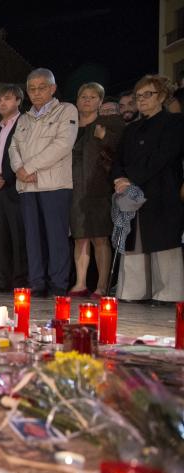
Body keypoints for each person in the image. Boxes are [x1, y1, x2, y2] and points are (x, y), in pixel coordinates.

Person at [113, 75, 184, 304]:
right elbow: (117, 159)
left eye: (148, 94)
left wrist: (130, 178)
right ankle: (133, 292)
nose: (141, 100)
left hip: (162, 191)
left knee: (163, 243)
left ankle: (168, 294)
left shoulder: (174, 123)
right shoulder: (131, 130)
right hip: (132, 195)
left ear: (161, 96)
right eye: (138, 96)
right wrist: (119, 179)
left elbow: (163, 157)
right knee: (135, 242)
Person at [9, 68, 78, 297]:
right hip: (27, 186)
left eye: (41, 88)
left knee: (56, 238)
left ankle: (58, 284)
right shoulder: (24, 118)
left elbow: (62, 145)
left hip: (54, 186)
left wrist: (28, 168)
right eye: (32, 89)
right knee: (33, 238)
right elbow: (13, 147)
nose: (36, 93)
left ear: (53, 88)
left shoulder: (66, 110)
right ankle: (36, 283)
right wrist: (19, 170)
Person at [68, 83, 125, 298]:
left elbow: (121, 151)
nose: (87, 100)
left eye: (93, 97)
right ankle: (80, 283)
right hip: (74, 189)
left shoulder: (109, 124)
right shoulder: (70, 127)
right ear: (77, 100)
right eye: (83, 96)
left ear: (100, 102)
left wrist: (105, 137)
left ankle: (101, 285)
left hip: (99, 188)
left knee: (100, 237)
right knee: (80, 237)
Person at [0, 86, 28, 292]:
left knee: (18, 237)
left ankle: (19, 281)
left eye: (7, 99)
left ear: (18, 101)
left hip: (15, 189)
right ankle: (1, 280)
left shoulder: (25, 123)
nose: (2, 103)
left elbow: (25, 156)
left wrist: (7, 178)